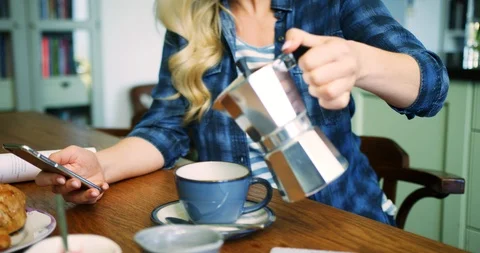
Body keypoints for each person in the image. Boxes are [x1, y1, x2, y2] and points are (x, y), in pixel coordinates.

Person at [35, 0, 449, 226]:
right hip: (233, 224)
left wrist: (360, 62)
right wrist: (98, 164)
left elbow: (431, 84)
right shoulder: (191, 21)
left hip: (336, 221)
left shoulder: (333, 4)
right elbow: (164, 130)